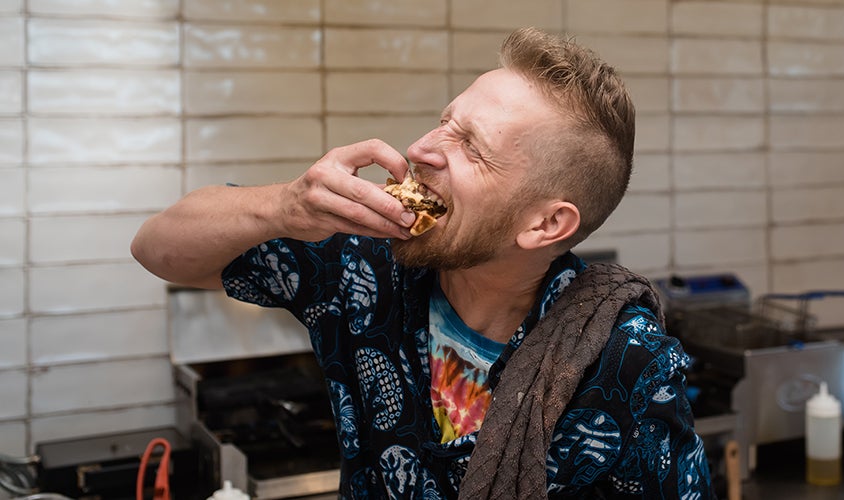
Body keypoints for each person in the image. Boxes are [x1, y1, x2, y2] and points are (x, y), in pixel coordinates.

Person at [132, 27, 713, 499]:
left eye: (472, 148)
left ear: (544, 225)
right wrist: (284, 206)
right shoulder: (361, 267)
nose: (421, 150)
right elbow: (156, 249)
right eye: (444, 121)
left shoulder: (626, 364)